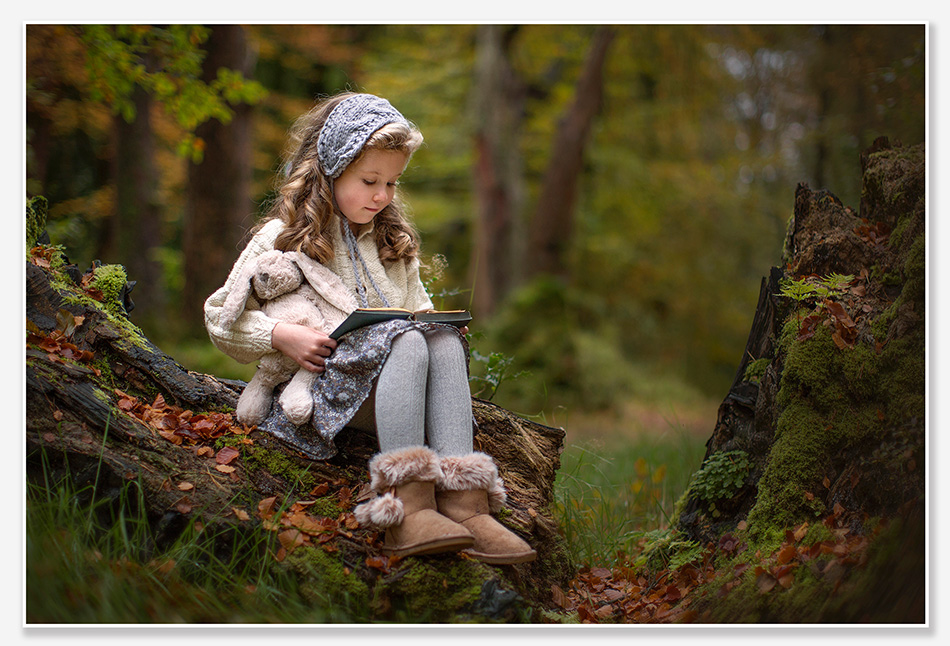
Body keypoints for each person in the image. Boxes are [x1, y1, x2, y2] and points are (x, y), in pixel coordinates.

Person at [204, 92, 535, 564]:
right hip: (319, 390)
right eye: (369, 181)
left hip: (390, 388)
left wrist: (437, 325)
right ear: (332, 170)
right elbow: (220, 318)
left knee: (440, 340)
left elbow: (419, 310)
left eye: (392, 183)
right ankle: (406, 508)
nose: (383, 196)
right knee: (406, 340)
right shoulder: (283, 234)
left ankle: (466, 504)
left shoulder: (391, 240)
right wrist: (281, 336)